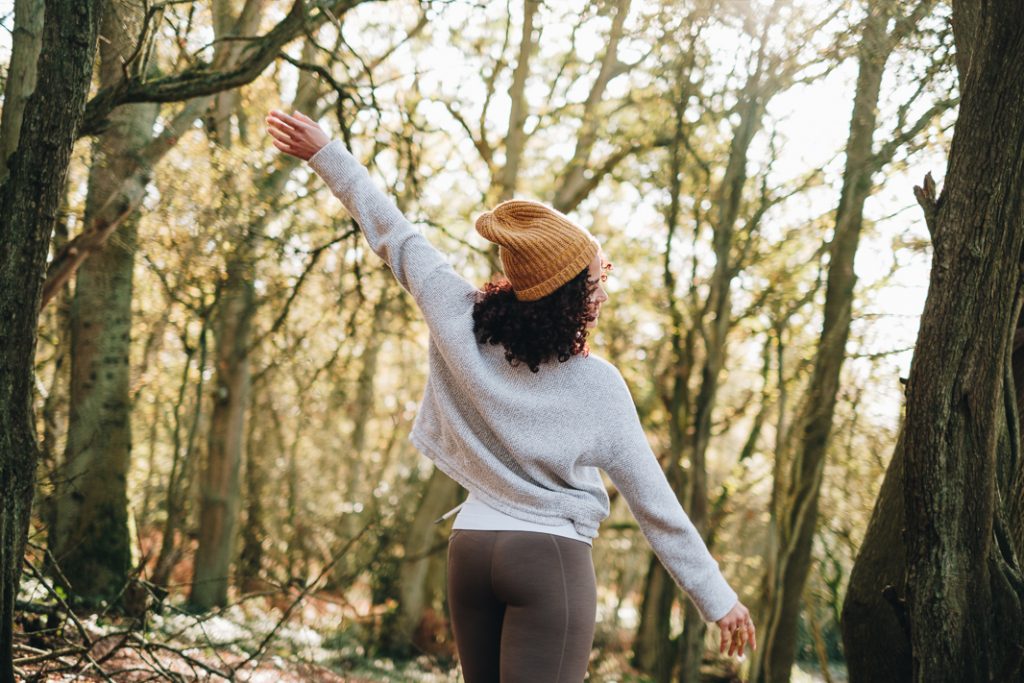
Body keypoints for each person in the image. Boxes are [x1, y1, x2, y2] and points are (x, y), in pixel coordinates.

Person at [266, 109, 756, 681]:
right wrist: (717, 599)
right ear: (577, 296)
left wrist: (327, 153)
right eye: (600, 275)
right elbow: (656, 506)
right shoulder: (599, 386)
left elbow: (394, 234)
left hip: (470, 549)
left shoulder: (459, 316)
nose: (605, 283)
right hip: (547, 560)